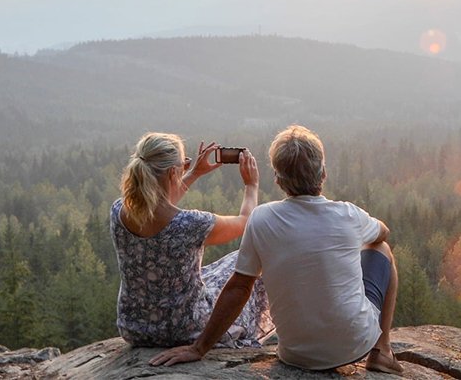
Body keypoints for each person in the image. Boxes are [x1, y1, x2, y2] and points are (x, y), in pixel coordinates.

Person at [150, 125, 404, 375]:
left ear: (278, 180)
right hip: (354, 346)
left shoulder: (262, 218)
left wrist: (199, 348)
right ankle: (382, 350)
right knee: (381, 249)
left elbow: (239, 287)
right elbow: (383, 233)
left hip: (296, 355)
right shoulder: (348, 214)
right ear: (323, 173)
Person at [110, 132, 273, 348]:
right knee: (248, 262)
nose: (187, 167)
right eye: (184, 165)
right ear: (172, 173)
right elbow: (245, 222)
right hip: (185, 329)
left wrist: (194, 172)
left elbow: (155, 204)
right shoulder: (191, 224)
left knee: (212, 274)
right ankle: (248, 332)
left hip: (134, 328)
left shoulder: (119, 211)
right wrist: (251, 185)